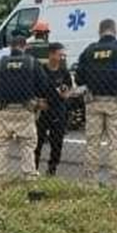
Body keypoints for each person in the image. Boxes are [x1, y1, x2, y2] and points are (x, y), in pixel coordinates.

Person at [75, 18, 117, 191]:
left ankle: (90, 183)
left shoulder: (89, 51)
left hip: (94, 102)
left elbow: (79, 79)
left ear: (100, 31)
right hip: (116, 103)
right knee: (116, 144)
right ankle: (116, 184)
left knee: (92, 143)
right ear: (114, 30)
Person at [0, 33, 49, 181]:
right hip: (25, 110)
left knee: (1, 145)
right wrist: (37, 100)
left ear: (11, 46)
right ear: (25, 46)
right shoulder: (31, 62)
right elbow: (44, 85)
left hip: (3, 110)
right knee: (27, 145)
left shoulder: (0, 63)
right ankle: (29, 177)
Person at [34, 42, 72, 175]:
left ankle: (52, 168)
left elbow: (68, 88)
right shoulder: (41, 70)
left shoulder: (64, 72)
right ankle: (34, 168)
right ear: (51, 54)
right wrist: (38, 102)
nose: (62, 57)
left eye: (63, 54)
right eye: (59, 54)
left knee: (57, 142)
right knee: (37, 141)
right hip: (43, 110)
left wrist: (66, 94)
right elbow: (34, 89)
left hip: (59, 109)